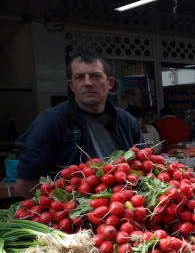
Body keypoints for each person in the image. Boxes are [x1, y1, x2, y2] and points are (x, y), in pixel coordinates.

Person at [14, 50, 142, 199]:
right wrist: (62, 210)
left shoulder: (127, 121)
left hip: (124, 211)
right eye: (79, 77)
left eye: (95, 76)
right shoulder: (50, 122)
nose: (87, 83)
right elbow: (23, 185)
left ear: (110, 83)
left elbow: (143, 167)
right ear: (71, 85)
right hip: (73, 218)